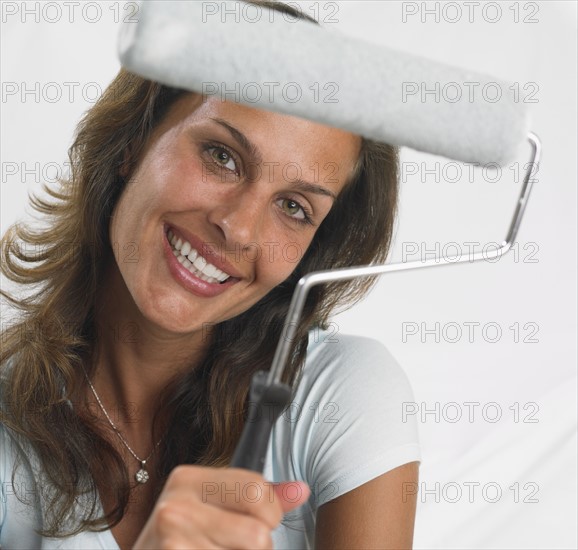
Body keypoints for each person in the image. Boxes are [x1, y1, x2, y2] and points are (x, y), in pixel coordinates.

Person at [0, 1, 420, 548]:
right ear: (135, 140)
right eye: (222, 156)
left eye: (294, 207)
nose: (238, 229)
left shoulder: (344, 396)